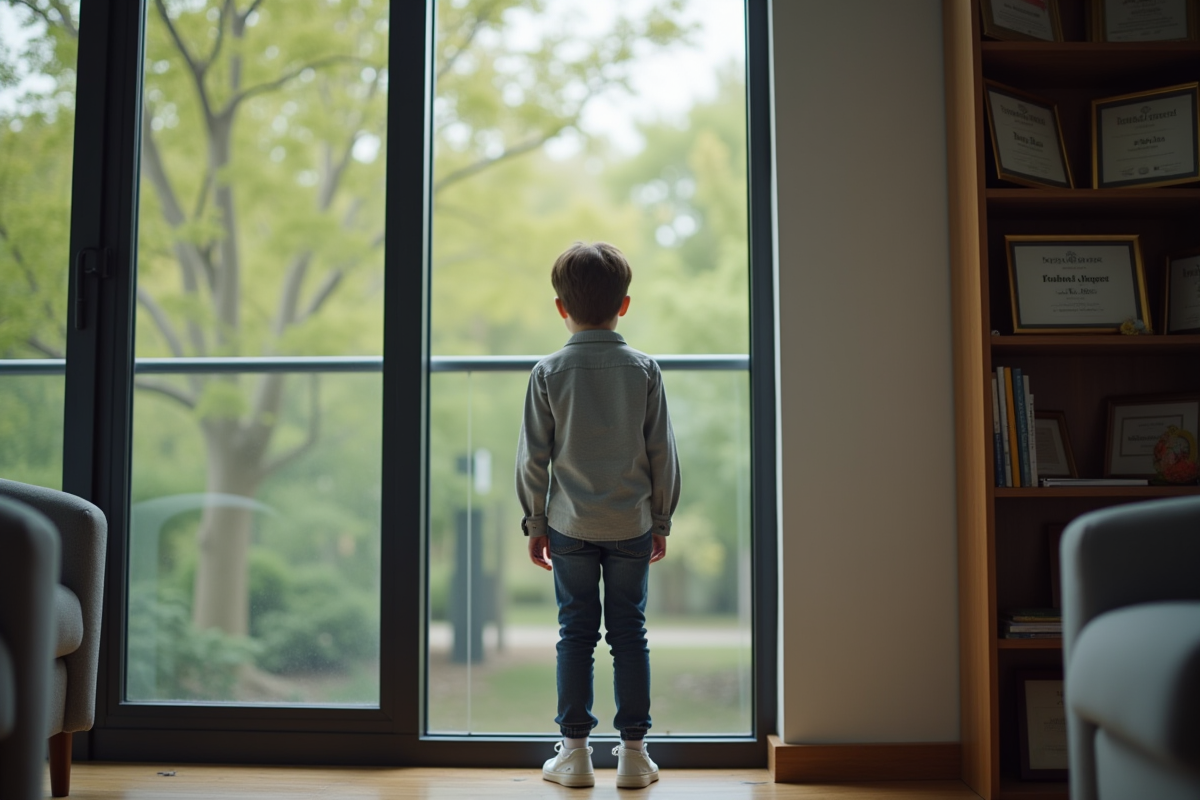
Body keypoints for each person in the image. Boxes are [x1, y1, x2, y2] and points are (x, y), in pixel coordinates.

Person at [515, 241, 680, 789]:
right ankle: (634, 755)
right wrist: (660, 520)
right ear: (624, 306)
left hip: (569, 526)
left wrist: (536, 525)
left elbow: (534, 458)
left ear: (561, 307)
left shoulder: (547, 372)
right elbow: (662, 453)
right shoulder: (644, 370)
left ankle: (576, 754)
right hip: (632, 523)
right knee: (630, 633)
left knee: (576, 634)